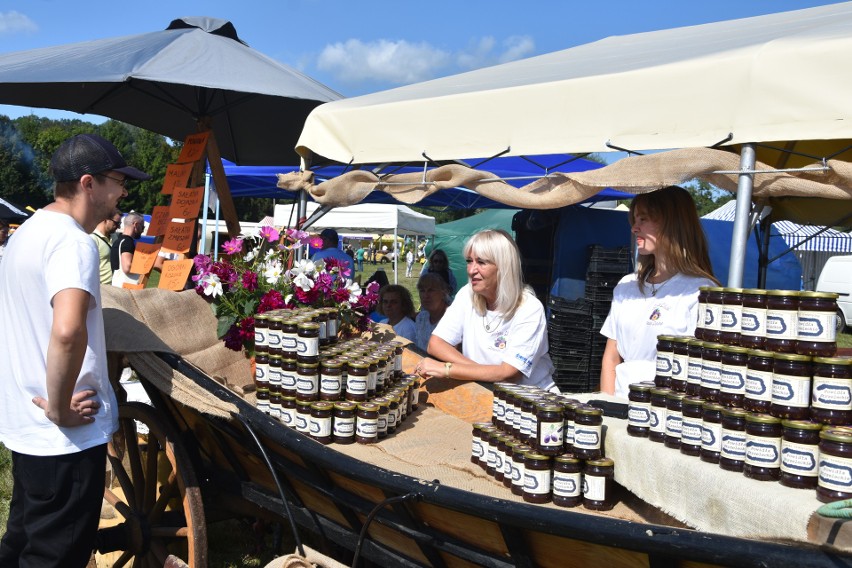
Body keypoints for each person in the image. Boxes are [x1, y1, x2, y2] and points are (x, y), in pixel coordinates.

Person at [0, 133, 150, 567]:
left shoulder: (27, 233)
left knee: (22, 544)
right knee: (56, 555)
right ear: (88, 182)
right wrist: (61, 408)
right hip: (62, 434)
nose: (123, 193)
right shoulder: (72, 242)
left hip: (29, 426)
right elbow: (67, 331)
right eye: (118, 182)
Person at [600, 185, 720, 399]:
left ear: (672, 223)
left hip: (667, 413)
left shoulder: (700, 292)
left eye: (643, 219)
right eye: (634, 220)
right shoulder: (626, 286)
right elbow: (611, 357)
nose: (634, 228)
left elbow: (704, 368)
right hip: (620, 406)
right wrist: (605, 404)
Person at [416, 229, 557, 392]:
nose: (471, 270)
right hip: (487, 393)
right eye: (469, 261)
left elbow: (509, 374)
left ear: (503, 267)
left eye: (481, 262)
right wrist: (482, 373)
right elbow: (436, 344)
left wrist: (447, 369)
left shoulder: (529, 308)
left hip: (531, 401)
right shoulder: (467, 294)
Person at [414, 271, 452, 351]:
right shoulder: (421, 318)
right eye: (422, 291)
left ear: (443, 292)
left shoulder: (452, 318)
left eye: (431, 290)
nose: (426, 295)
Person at [109, 210, 145, 286]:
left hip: (117, 286)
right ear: (135, 224)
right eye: (142, 226)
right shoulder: (128, 242)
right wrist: (144, 266)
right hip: (125, 289)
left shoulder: (118, 241)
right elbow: (127, 267)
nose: (142, 230)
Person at [90, 208, 122, 285]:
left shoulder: (115, 237)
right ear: (105, 220)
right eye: (116, 223)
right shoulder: (92, 239)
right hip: (101, 287)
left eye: (119, 224)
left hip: (115, 285)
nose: (118, 227)